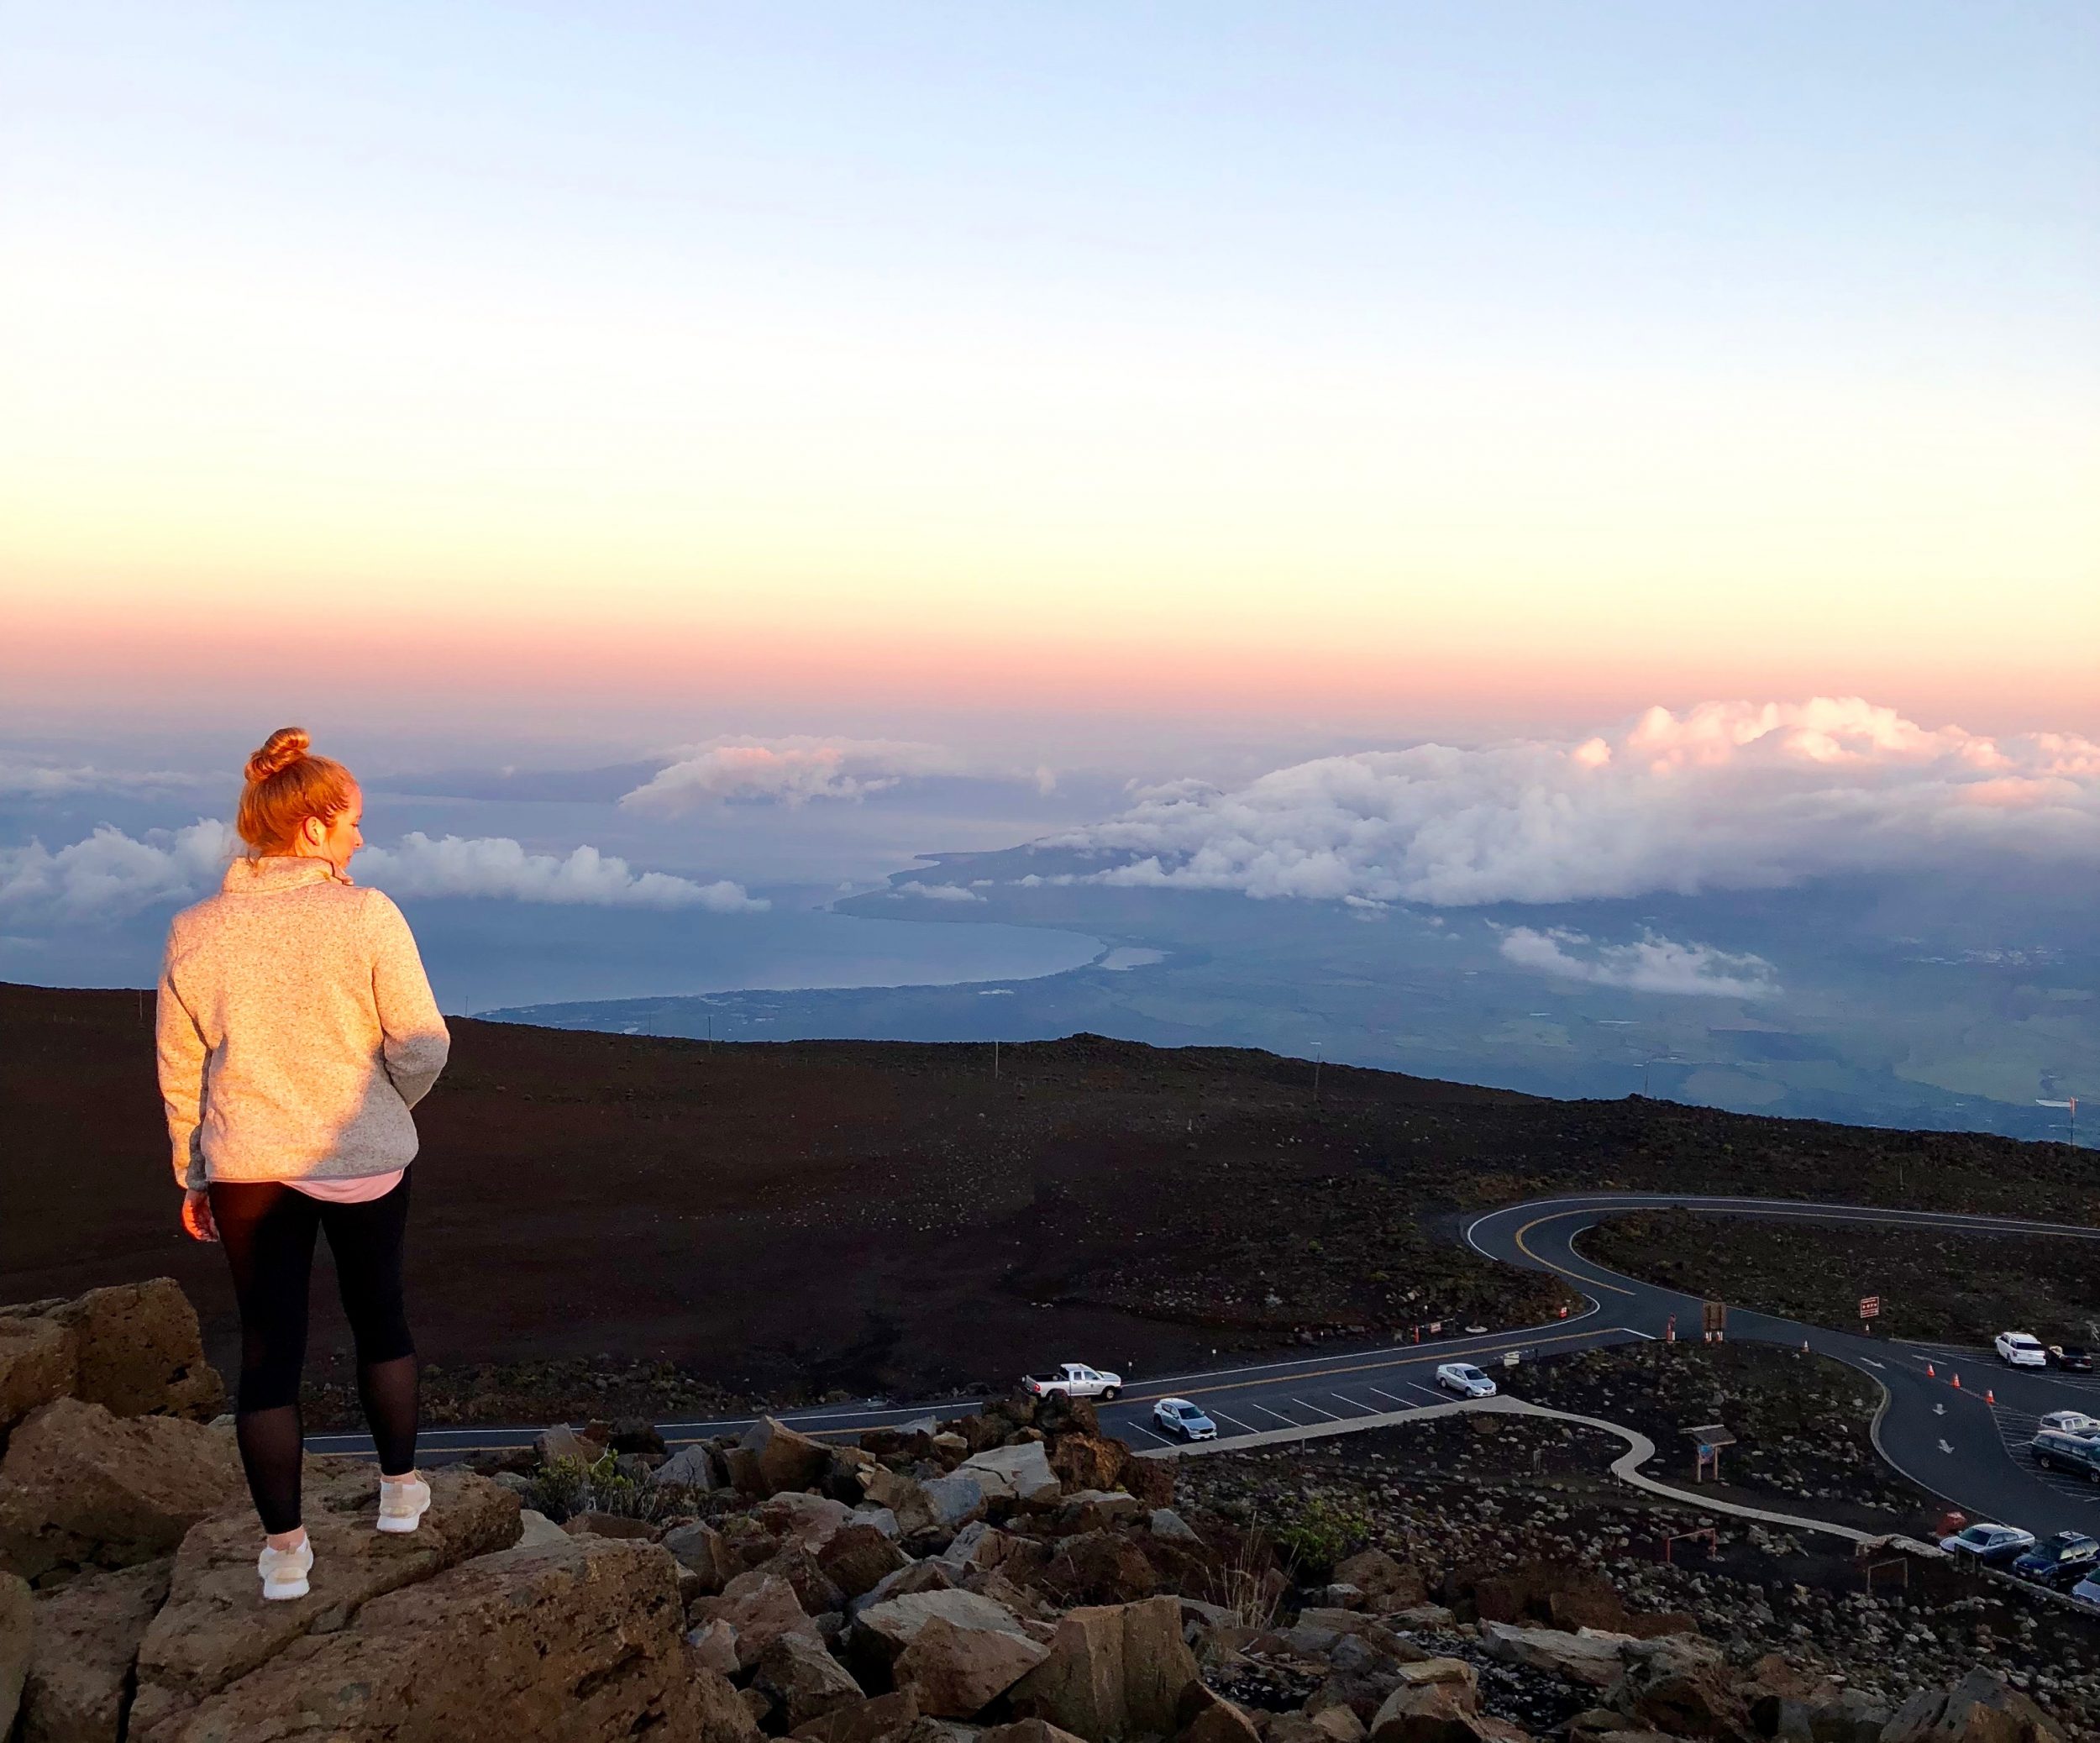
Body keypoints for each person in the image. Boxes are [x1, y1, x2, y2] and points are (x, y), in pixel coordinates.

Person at [157, 727, 450, 1602]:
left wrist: (193, 1171)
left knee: (268, 1352)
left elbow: (182, 1065)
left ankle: (285, 1551)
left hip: (249, 1166)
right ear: (317, 825)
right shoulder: (368, 915)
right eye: (355, 820)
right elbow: (423, 1041)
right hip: (370, 1161)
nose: (363, 836)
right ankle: (400, 1494)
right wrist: (387, 1104)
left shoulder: (196, 930)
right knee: (381, 1319)